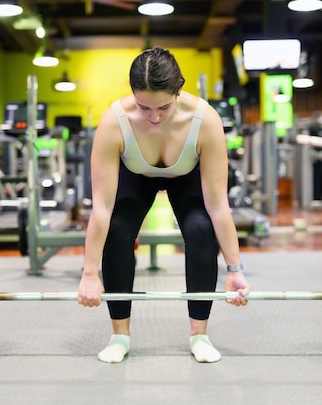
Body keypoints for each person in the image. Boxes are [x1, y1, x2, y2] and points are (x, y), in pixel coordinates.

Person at [77, 46, 250, 363]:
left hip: (187, 176)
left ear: (178, 91)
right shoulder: (114, 121)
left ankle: (200, 334)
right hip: (135, 175)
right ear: (132, 94)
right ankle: (119, 336)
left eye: (164, 108)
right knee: (117, 229)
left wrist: (235, 269)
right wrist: (89, 273)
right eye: (144, 108)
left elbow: (218, 207)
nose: (154, 117)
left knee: (200, 229)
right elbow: (100, 207)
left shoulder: (205, 120)